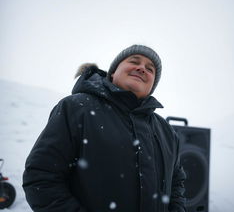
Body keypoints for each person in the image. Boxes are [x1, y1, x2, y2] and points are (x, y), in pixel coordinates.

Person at [23, 44, 186, 212]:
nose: (142, 68)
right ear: (113, 72)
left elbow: (176, 185)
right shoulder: (76, 108)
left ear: (152, 85)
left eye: (150, 69)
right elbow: (41, 177)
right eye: (134, 61)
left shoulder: (167, 132)